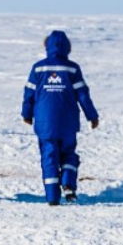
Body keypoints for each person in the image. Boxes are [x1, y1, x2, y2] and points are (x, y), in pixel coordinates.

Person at [22, 30, 100, 205]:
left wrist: (27, 113)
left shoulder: (38, 67)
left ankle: (52, 198)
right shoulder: (73, 68)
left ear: (47, 46)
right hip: (68, 123)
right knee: (68, 154)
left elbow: (29, 93)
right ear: (68, 48)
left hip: (44, 123)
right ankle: (68, 183)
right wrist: (92, 115)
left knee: (49, 157)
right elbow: (83, 95)